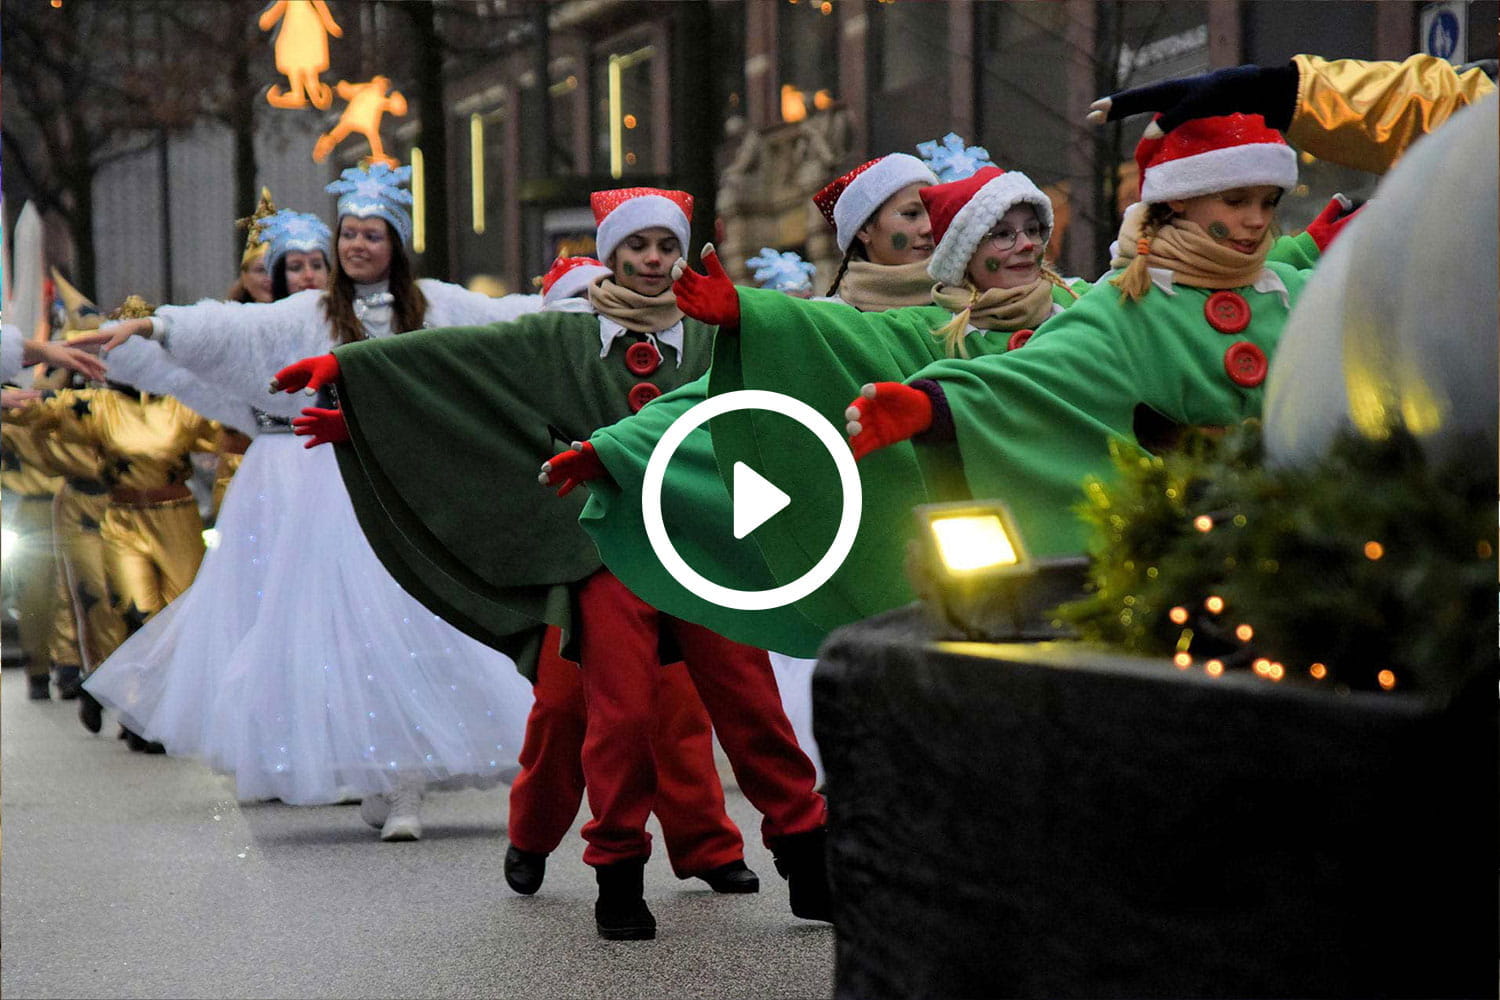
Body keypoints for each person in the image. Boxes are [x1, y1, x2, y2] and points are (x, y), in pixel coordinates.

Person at [273, 187, 830, 940]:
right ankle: (618, 875)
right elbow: (453, 363)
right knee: (619, 714)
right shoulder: (564, 338)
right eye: (639, 246)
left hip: (706, 550)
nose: (654, 260)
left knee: (749, 704)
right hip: (602, 552)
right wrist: (350, 371)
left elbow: (808, 354)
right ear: (610, 252)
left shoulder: (712, 334)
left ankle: (805, 855)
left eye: (667, 246)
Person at [76, 164, 540, 838]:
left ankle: (404, 782)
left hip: (414, 489)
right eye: (348, 233)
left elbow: (508, 324)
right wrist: (156, 329)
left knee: (423, 630)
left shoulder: (438, 306)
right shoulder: (314, 313)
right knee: (357, 638)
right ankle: (389, 777)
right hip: (335, 497)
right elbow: (234, 331)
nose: (356, 245)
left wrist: (590, 296)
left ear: (396, 245)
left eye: (371, 235)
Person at [842, 113, 1336, 568]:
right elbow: (1037, 380)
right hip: (1183, 542)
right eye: (1002, 236)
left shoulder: (1083, 296)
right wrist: (938, 405)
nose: (1026, 245)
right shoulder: (1119, 303)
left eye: (1034, 230)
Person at [503, 257, 759, 900]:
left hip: (666, 551)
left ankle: (708, 845)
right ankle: (531, 833)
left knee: (676, 708)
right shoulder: (553, 362)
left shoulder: (680, 349)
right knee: (562, 708)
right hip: (576, 556)